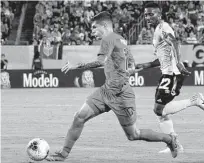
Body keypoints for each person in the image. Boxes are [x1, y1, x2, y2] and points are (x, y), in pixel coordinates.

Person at [46, 11, 179, 161]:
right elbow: (131, 64)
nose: (92, 32)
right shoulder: (120, 39)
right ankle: (63, 154)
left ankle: (169, 139)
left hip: (121, 95)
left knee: (133, 134)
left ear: (104, 26)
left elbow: (101, 62)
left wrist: (77, 65)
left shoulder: (108, 39)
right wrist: (123, 70)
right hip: (106, 91)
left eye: (94, 28)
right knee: (79, 117)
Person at [136, 3, 204, 154]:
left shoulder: (164, 28)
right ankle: (174, 144)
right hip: (167, 74)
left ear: (159, 14)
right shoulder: (157, 31)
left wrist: (178, 62)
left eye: (151, 14)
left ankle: (194, 100)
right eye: (145, 15)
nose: (147, 17)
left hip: (173, 74)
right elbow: (159, 60)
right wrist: (141, 66)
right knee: (160, 112)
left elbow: (175, 42)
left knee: (159, 110)